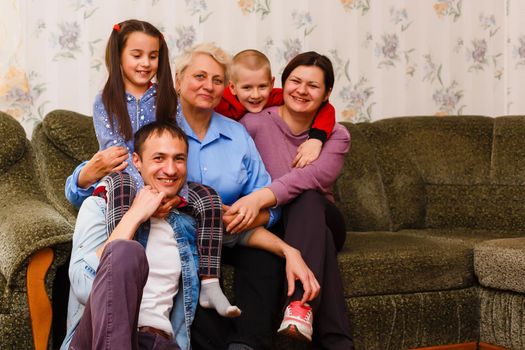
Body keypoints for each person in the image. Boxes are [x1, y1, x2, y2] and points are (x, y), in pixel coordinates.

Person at [64, 19, 239, 317]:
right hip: (127, 177)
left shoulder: (166, 97)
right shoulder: (106, 100)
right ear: (118, 55)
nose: (146, 63)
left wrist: (173, 192)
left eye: (153, 56)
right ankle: (117, 263)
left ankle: (210, 282)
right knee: (118, 184)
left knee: (208, 197)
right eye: (137, 55)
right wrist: (150, 193)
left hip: (166, 179)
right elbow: (116, 154)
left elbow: (177, 144)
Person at [171, 42, 318, 350]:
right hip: (185, 236)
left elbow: (271, 206)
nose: (208, 86)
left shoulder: (237, 133)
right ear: (178, 79)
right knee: (189, 272)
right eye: (199, 76)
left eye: (216, 80)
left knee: (266, 260)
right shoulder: (161, 129)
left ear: (226, 87)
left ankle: (247, 345)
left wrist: (249, 215)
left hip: (240, 232)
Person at [230, 51, 354, 349]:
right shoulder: (255, 122)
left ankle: (297, 304)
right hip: (277, 225)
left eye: (313, 85)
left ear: (327, 94)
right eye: (295, 81)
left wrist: (261, 197)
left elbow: (310, 179)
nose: (301, 90)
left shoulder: (337, 136)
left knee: (307, 198)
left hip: (320, 215)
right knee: (317, 242)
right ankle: (329, 338)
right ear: (281, 86)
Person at [61, 122, 199, 350]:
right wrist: (134, 215)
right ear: (137, 161)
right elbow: (83, 287)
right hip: (95, 337)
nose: (171, 169)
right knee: (126, 250)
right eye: (159, 158)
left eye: (179, 159)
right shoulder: (99, 207)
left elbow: (238, 232)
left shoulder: (186, 222)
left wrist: (282, 249)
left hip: (158, 342)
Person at [215, 49, 336, 168]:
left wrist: (316, 138)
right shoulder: (218, 103)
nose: (255, 95)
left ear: (271, 84)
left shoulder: (275, 96)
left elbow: (325, 108)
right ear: (232, 87)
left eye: (262, 86)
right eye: (247, 88)